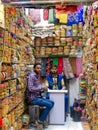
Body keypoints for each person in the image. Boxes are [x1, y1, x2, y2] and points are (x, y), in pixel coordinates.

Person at [26, 63, 54, 130]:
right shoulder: (32, 76)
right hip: (32, 98)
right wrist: (41, 88)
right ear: (34, 68)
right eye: (37, 68)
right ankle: (40, 121)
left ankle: (41, 119)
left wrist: (42, 89)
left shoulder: (37, 75)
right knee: (49, 105)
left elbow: (36, 86)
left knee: (52, 102)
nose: (39, 69)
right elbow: (30, 88)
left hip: (37, 96)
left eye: (40, 68)